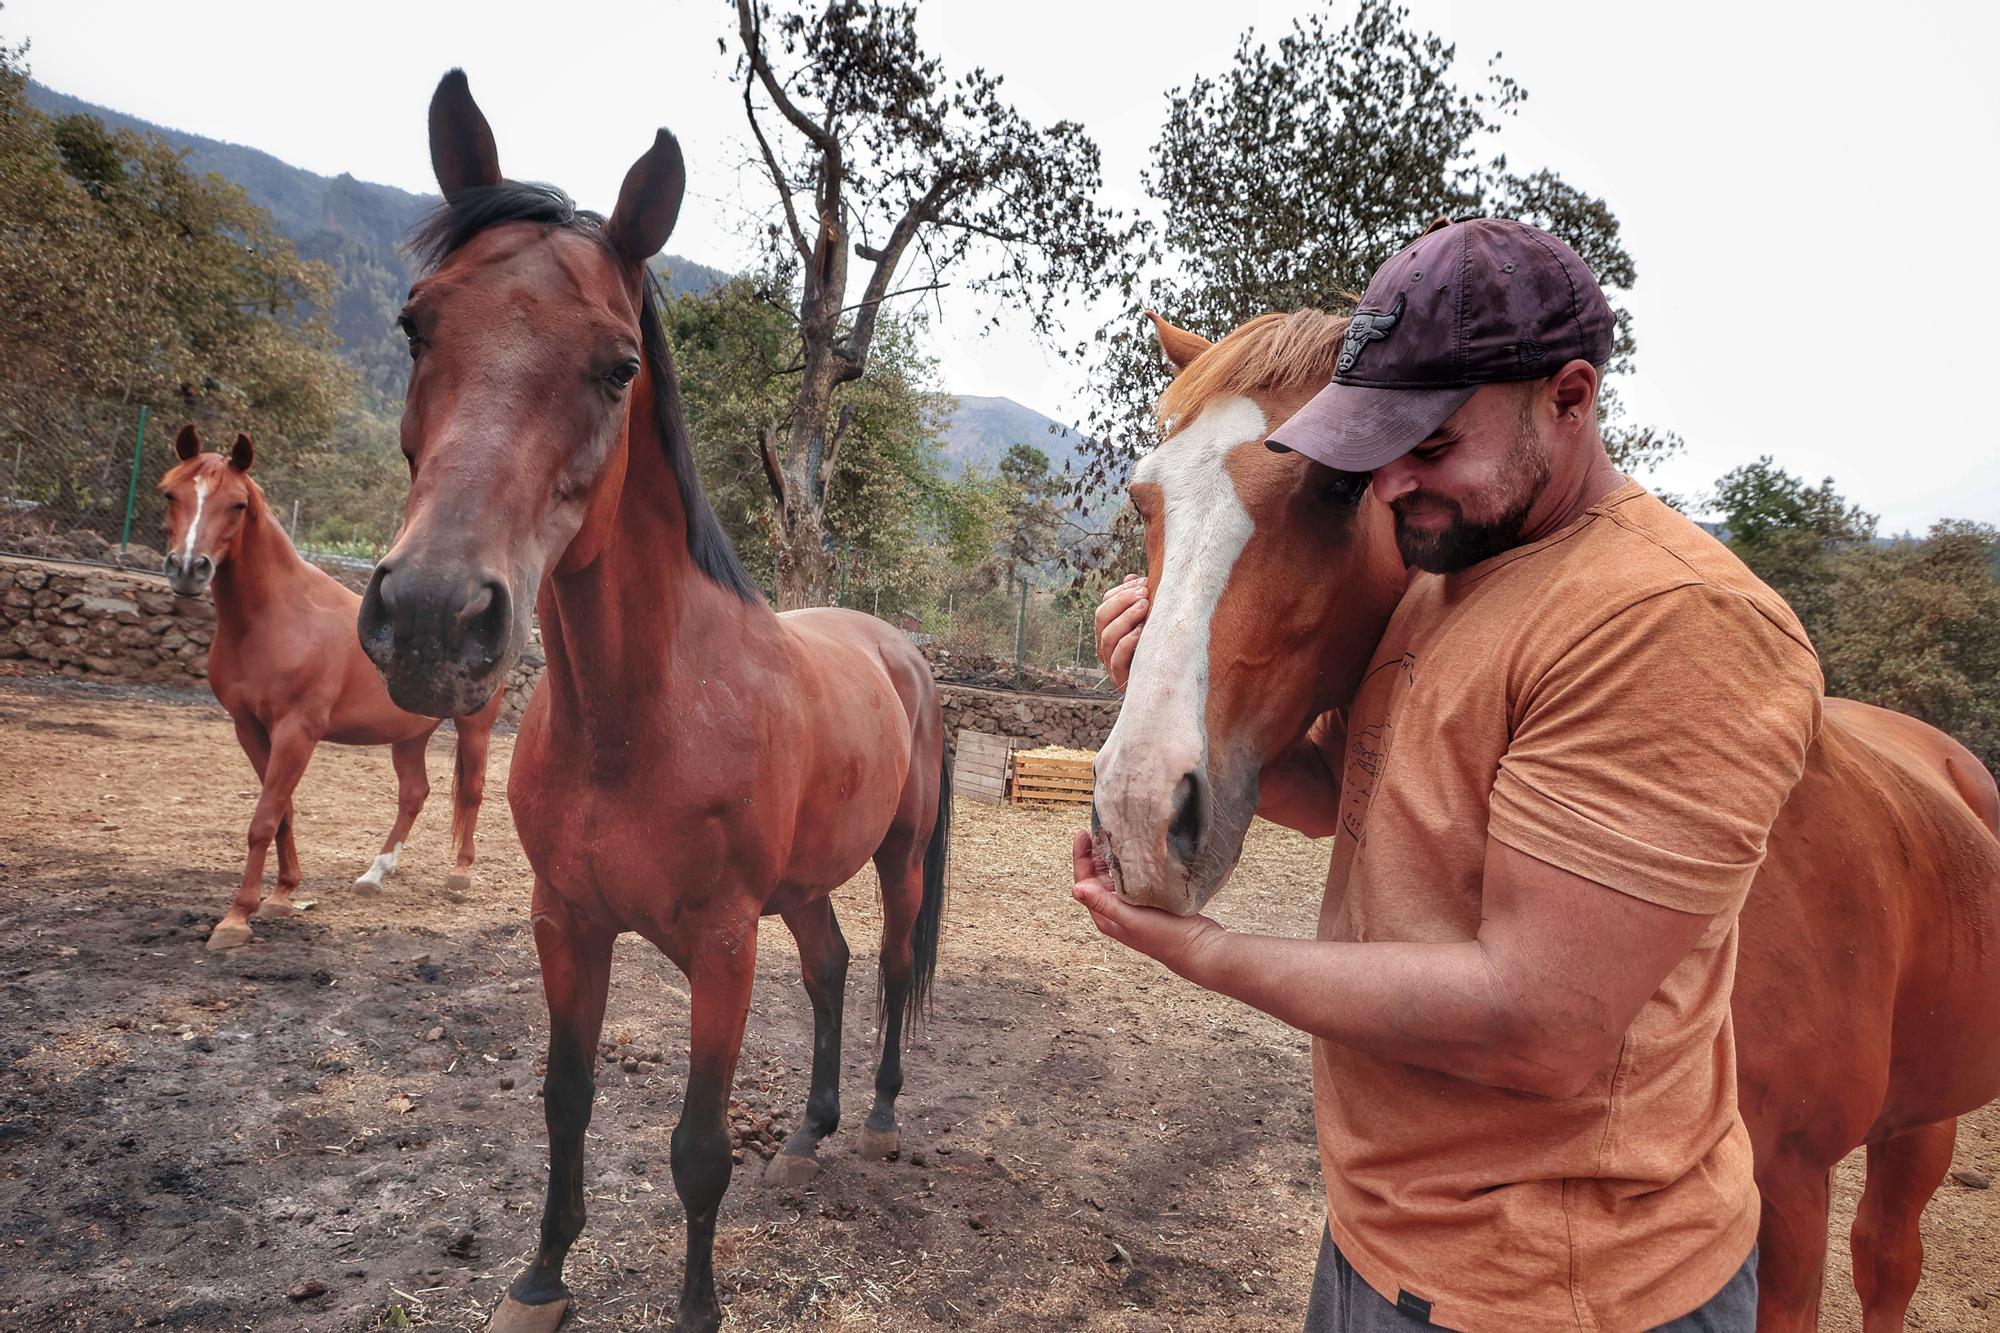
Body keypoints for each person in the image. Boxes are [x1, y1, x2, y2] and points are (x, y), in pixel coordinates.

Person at [1074, 218, 1823, 1331]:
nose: (1391, 483)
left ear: (1568, 398)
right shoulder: (1449, 566)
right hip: (1387, 1234)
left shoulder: (1669, 622)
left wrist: (1209, 955)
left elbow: (1539, 1021)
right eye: (1374, 448)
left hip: (1560, 1290)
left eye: (1428, 444)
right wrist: (1186, 701)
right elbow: (1358, 799)